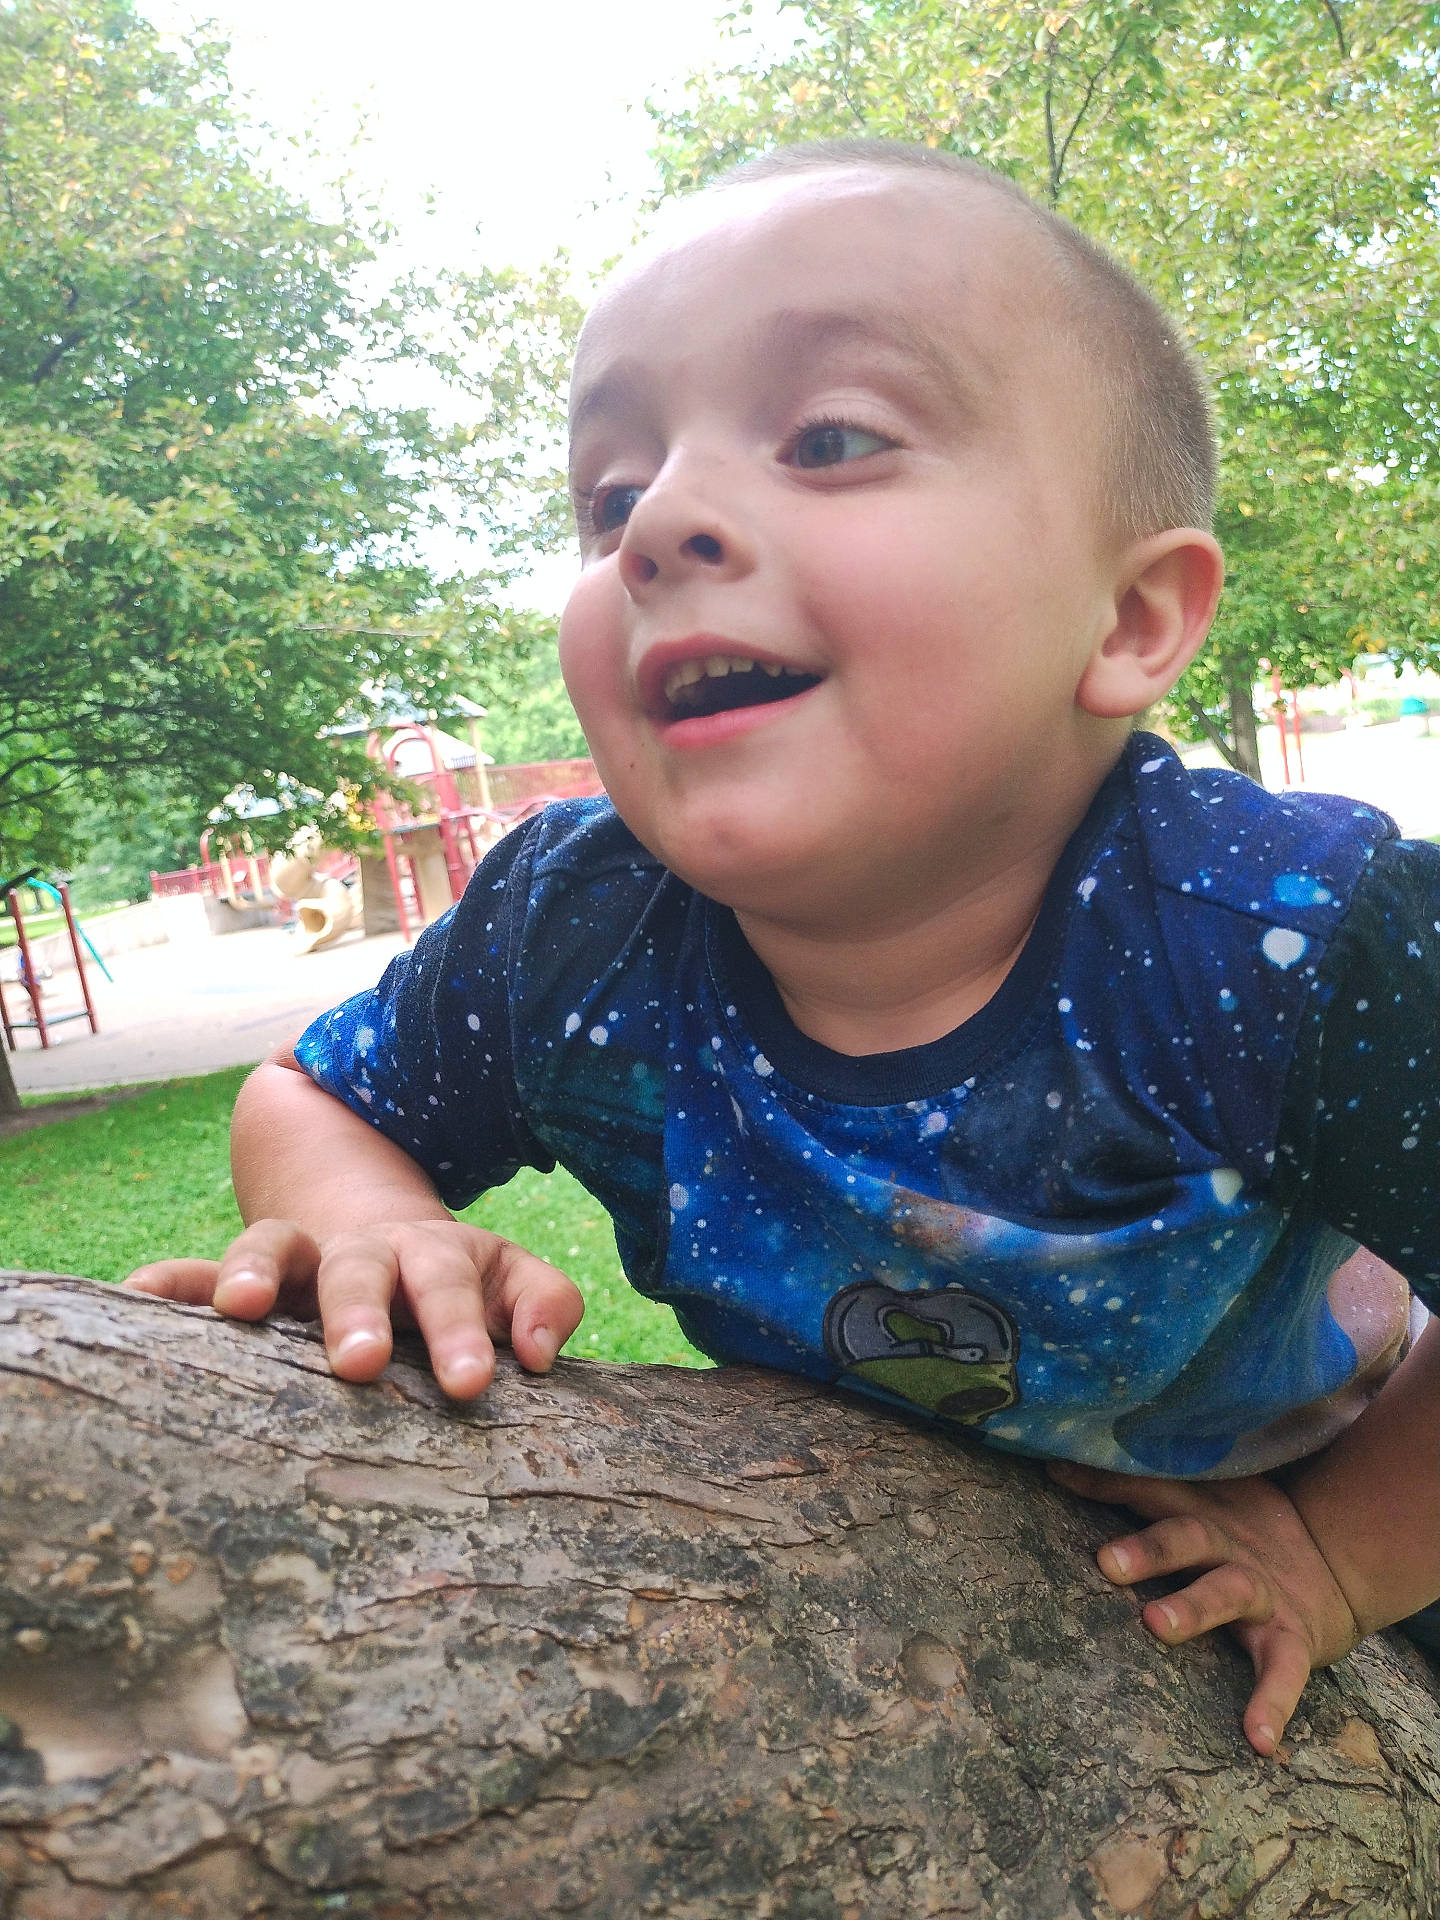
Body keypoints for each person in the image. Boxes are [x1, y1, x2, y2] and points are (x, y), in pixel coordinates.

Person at [126, 140, 1440, 1756]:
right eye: (610, 496)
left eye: (829, 438)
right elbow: (314, 1098)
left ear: (1130, 623)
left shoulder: (1291, 937)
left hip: (1337, 1467)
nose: (661, 519)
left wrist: (1337, 1548)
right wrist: (370, 1220)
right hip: (876, 1542)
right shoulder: (573, 929)